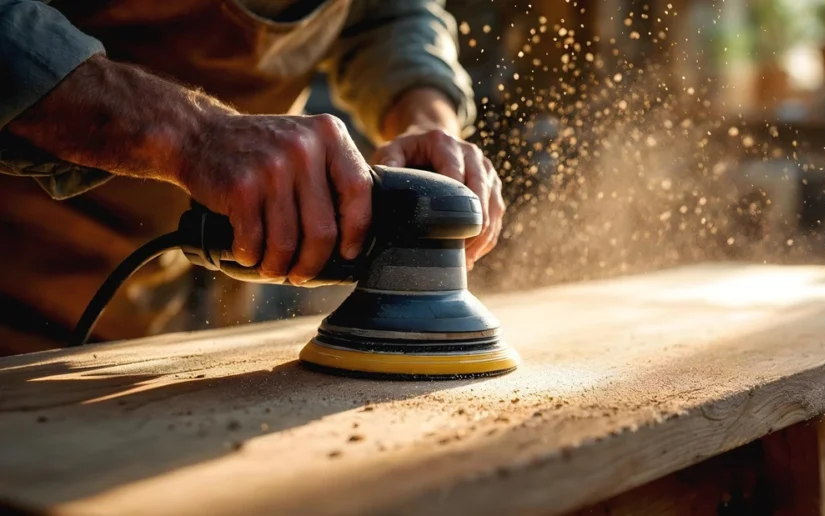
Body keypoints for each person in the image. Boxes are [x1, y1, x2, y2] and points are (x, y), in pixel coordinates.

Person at [0, 0, 505, 355]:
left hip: (171, 302)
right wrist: (192, 135)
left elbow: (388, 14)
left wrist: (426, 122)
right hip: (19, 280)